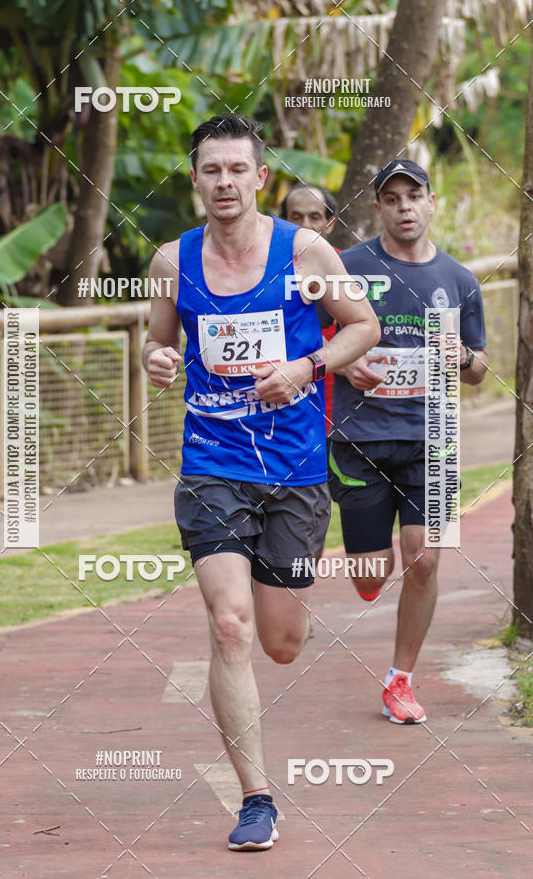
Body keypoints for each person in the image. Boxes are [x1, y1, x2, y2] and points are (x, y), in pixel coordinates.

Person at [142, 115, 380, 850]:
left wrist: (307, 368)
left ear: (259, 177)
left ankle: (285, 613)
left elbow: (362, 325)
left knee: (281, 640)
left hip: (297, 469)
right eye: (209, 170)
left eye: (235, 170)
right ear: (195, 179)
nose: (223, 183)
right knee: (229, 624)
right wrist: (155, 361)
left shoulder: (304, 250)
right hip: (212, 465)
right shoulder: (170, 262)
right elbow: (157, 341)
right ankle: (257, 799)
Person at [322, 158, 488, 725]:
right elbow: (312, 335)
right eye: (392, 199)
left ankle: (400, 681)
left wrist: (461, 356)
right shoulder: (348, 266)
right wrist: (344, 367)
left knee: (424, 561)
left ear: (432, 201)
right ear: (378, 208)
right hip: (361, 438)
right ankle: (368, 564)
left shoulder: (460, 281)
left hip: (431, 438)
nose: (404, 208)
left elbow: (479, 366)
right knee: (370, 577)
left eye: (413, 196)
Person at [279, 184, 339, 426]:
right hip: (281, 404)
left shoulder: (346, 267)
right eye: (296, 217)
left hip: (336, 406)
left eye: (315, 217)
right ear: (282, 221)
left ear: (330, 223)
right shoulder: (263, 271)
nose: (305, 225)